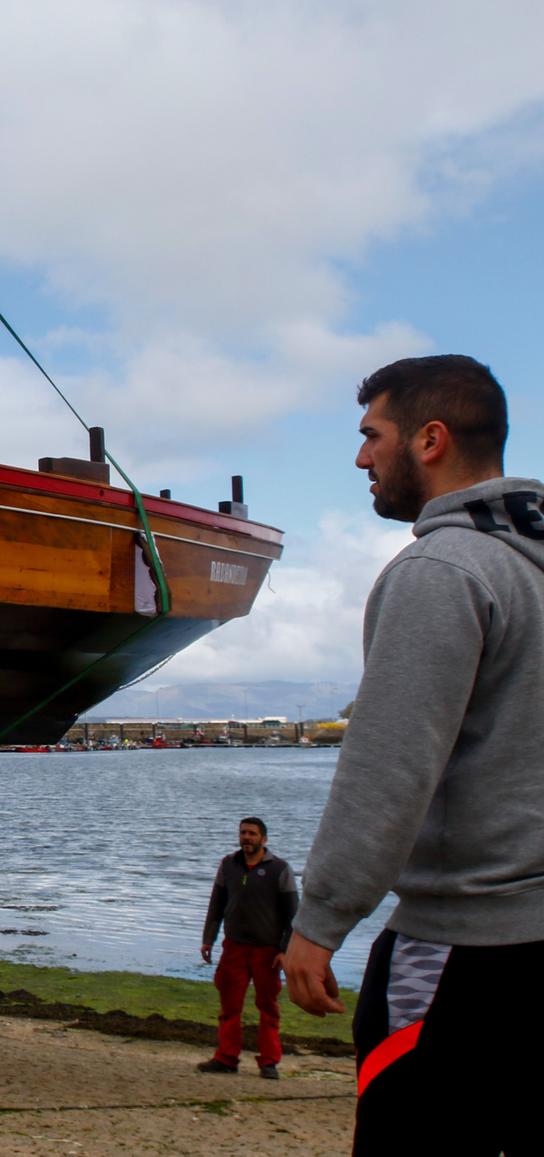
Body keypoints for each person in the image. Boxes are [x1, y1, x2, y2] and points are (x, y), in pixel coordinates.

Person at [283, 355, 544, 1153]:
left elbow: (389, 768)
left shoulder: (441, 570)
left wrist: (321, 920)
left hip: (463, 950)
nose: (361, 457)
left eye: (372, 435)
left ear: (429, 440)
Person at [197, 816, 298, 1079]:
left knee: (268, 1006)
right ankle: (226, 1057)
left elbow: (293, 916)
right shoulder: (228, 865)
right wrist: (208, 939)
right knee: (229, 1005)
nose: (246, 838)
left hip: (268, 950)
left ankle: (269, 1062)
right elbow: (216, 905)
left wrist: (285, 949)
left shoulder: (280, 869)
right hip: (234, 948)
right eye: (243, 833)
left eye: (252, 834)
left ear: (264, 839)